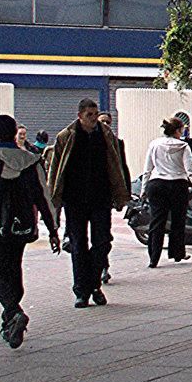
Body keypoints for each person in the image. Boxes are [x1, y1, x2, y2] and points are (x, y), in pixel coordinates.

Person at [0, 112, 60, 349]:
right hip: (22, 226)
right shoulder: (31, 161)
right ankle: (10, 319)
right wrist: (52, 229)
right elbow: (43, 196)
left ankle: (13, 311)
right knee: (14, 266)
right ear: (14, 133)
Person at [46, 99, 127, 308]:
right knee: (78, 244)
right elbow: (56, 169)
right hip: (75, 199)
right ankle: (82, 290)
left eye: (95, 113)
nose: (94, 118)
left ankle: (92, 285)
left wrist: (120, 194)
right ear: (80, 115)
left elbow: (117, 165)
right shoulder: (66, 137)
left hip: (100, 197)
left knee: (102, 242)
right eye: (89, 115)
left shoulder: (107, 135)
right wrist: (54, 197)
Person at [142, 117, 192, 267]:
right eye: (182, 130)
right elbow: (191, 171)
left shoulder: (154, 144)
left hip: (157, 184)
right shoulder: (183, 146)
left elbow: (147, 169)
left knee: (157, 221)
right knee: (178, 220)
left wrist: (143, 189)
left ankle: (153, 258)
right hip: (178, 185)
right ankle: (177, 253)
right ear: (177, 131)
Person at [95, 111, 131, 285]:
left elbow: (122, 168)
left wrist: (123, 195)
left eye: (108, 122)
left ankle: (103, 266)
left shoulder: (117, 143)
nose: (106, 125)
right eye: (102, 121)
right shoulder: (85, 140)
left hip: (105, 196)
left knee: (103, 235)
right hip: (85, 198)